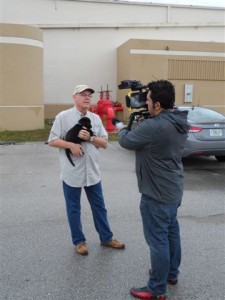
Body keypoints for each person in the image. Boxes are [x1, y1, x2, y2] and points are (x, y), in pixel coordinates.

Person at [117, 80, 190, 299]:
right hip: (172, 189)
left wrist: (122, 128)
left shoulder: (154, 126)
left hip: (155, 193)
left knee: (157, 240)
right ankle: (170, 273)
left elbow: (127, 141)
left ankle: (157, 288)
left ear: (157, 104)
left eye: (147, 99)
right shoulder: (178, 120)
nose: (144, 103)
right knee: (170, 233)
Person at [48, 84, 125, 256]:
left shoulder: (95, 119)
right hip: (72, 172)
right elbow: (52, 141)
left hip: (92, 172)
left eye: (89, 94)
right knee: (73, 208)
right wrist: (71, 145)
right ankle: (79, 241)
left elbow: (104, 143)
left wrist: (90, 138)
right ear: (74, 97)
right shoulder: (63, 117)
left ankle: (106, 238)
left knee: (99, 207)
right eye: (82, 94)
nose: (87, 97)